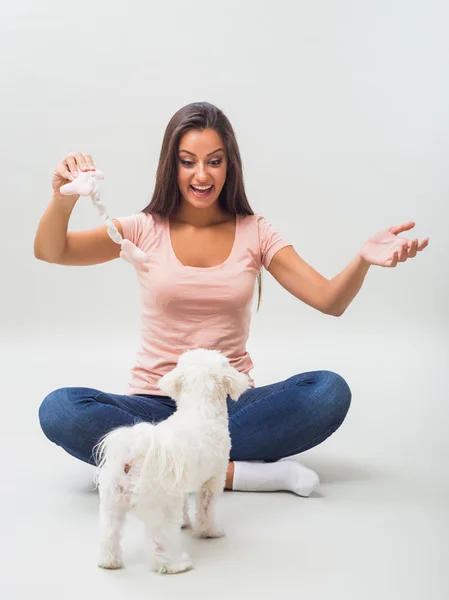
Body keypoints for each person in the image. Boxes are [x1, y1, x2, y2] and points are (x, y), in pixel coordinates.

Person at [34, 102, 428, 496]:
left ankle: (156, 467)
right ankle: (236, 474)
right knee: (60, 409)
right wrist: (63, 198)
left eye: (214, 161)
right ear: (173, 167)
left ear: (230, 165)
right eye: (188, 162)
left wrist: (362, 260)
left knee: (328, 392)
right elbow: (53, 250)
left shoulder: (255, 231)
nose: (201, 175)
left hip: (228, 409)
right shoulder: (142, 228)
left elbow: (329, 299)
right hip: (156, 405)